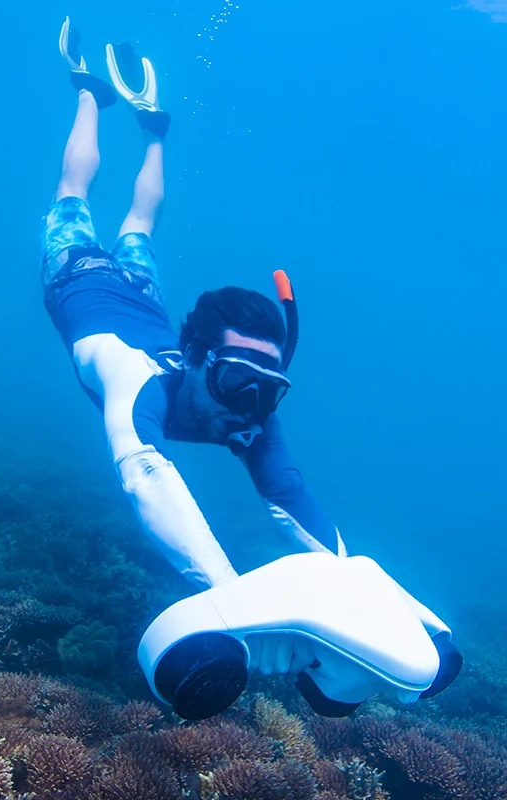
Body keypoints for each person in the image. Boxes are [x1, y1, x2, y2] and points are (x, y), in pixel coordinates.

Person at [41, 18, 348, 592]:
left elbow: (287, 495)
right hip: (77, 276)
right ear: (198, 356)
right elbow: (146, 473)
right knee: (75, 191)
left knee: (140, 223)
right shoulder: (136, 380)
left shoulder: (252, 405)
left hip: (143, 299)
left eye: (269, 386)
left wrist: (358, 587)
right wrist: (228, 598)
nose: (252, 404)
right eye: (237, 380)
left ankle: (154, 132)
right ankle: (88, 90)